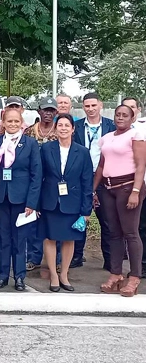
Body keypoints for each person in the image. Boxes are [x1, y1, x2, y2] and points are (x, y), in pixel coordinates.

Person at [95, 104, 146, 297]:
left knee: (131, 233)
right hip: (108, 189)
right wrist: (92, 190)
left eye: (125, 115)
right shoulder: (107, 138)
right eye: (118, 114)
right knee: (113, 233)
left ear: (132, 118)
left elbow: (141, 165)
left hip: (128, 186)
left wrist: (136, 190)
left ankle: (134, 277)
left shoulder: (136, 135)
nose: (120, 117)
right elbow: (101, 166)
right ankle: (116, 274)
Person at [39, 114, 93, 292]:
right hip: (50, 201)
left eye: (66, 125)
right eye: (59, 125)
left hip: (73, 202)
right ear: (55, 128)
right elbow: (39, 177)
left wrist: (86, 211)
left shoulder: (82, 152)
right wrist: (36, 204)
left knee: (69, 239)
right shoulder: (46, 149)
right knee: (50, 238)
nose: (63, 128)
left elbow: (87, 182)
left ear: (72, 128)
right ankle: (53, 275)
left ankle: (64, 274)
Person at [0, 108, 41, 291]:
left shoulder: (30, 144)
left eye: (16, 121)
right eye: (9, 121)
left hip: (21, 198)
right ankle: (2, 275)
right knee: (2, 237)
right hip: (0, 197)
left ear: (22, 123)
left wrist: (31, 202)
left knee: (20, 239)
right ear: (3, 123)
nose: (12, 124)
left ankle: (19, 276)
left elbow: (36, 174)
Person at [74, 92, 114, 270]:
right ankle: (76, 257)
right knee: (79, 217)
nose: (90, 109)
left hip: (105, 177)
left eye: (93, 105)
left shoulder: (111, 126)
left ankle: (110, 260)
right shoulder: (75, 127)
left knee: (106, 220)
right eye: (87, 106)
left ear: (100, 105)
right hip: (80, 177)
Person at [23, 96, 59, 270]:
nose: (48, 113)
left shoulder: (60, 131)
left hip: (53, 183)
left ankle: (57, 260)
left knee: (54, 220)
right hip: (33, 182)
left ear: (56, 113)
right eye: (45, 110)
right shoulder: (29, 131)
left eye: (51, 110)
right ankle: (33, 258)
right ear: (39, 111)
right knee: (32, 222)